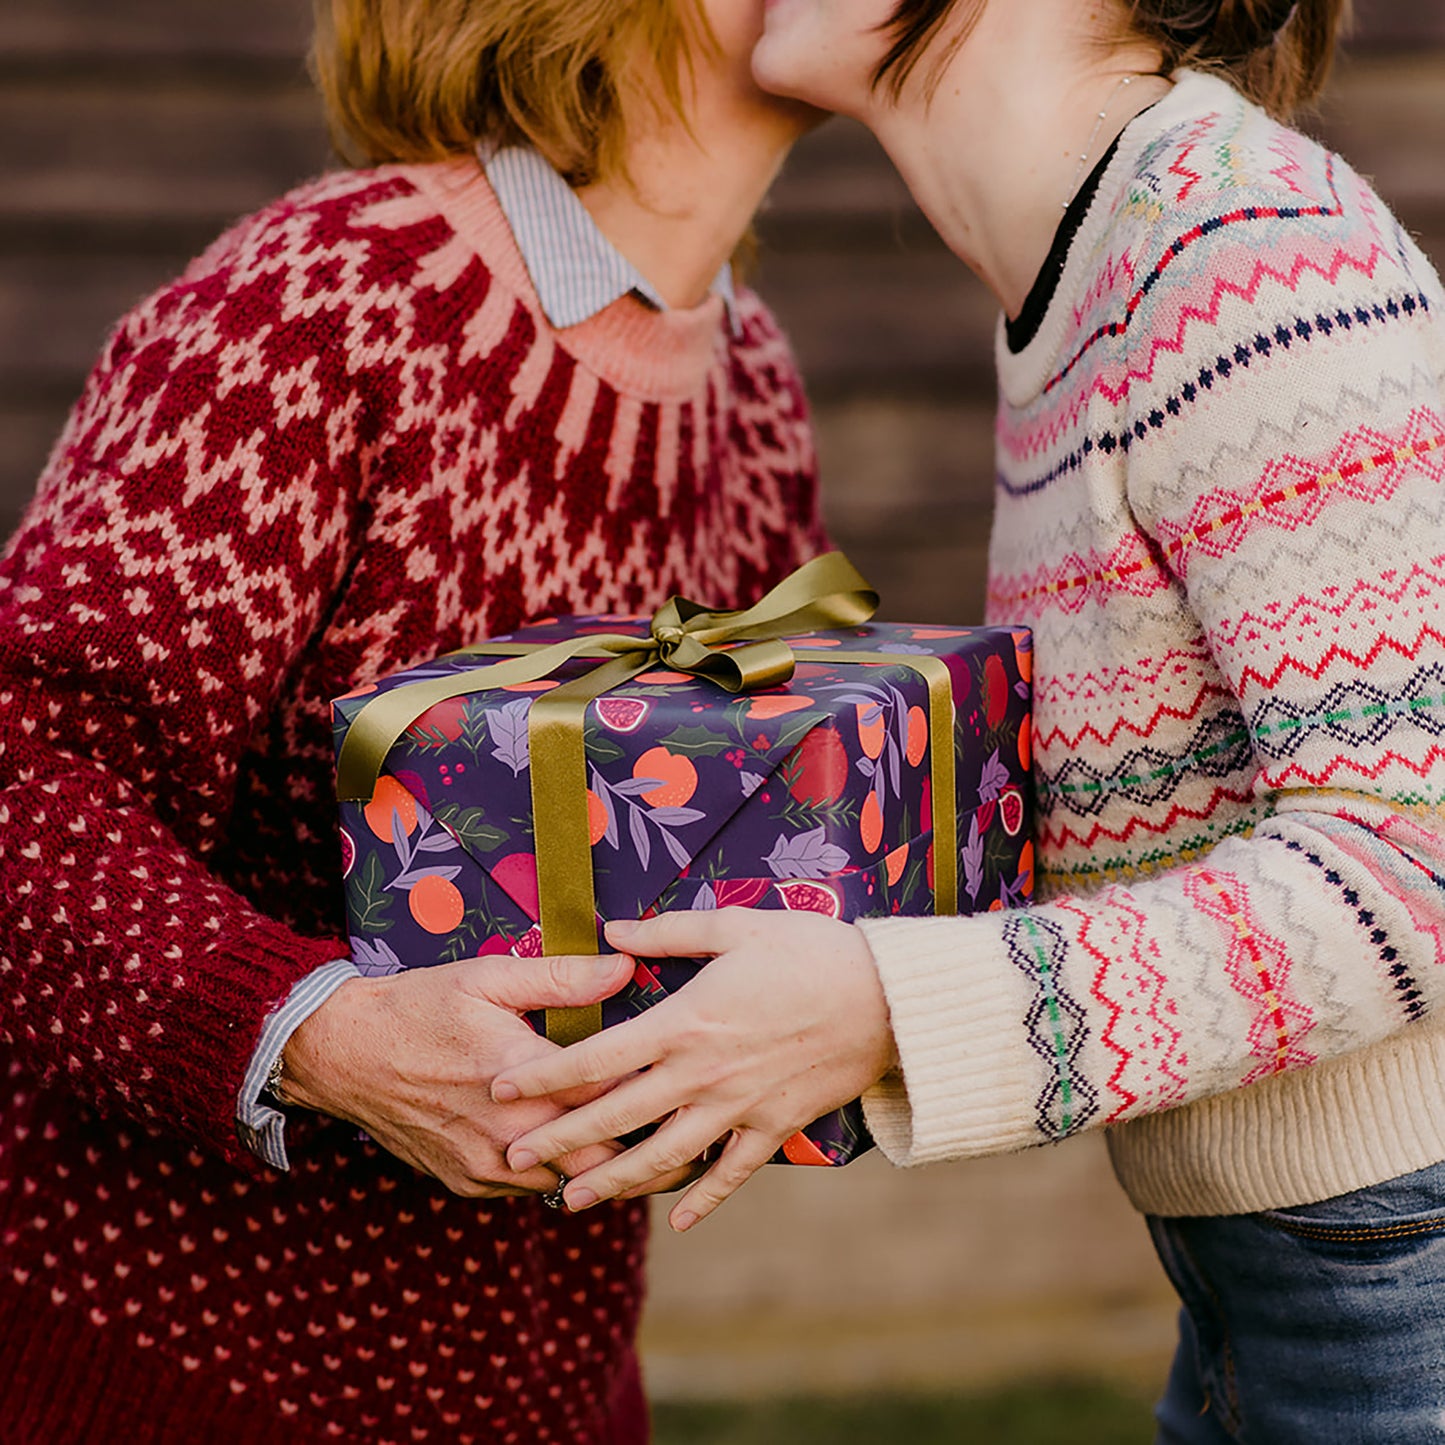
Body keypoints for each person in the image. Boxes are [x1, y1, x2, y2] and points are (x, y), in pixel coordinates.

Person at [490, 2, 1445, 1439]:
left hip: (1396, 1270)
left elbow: (1416, 860)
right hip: (1287, 1258)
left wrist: (882, 1004)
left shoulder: (1245, 250)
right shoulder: (1090, 267)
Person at [0, 0, 826, 1438]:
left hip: (550, 1384)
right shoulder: (323, 303)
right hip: (169, 1376)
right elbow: (26, 774)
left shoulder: (748, 388)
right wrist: (313, 1030)